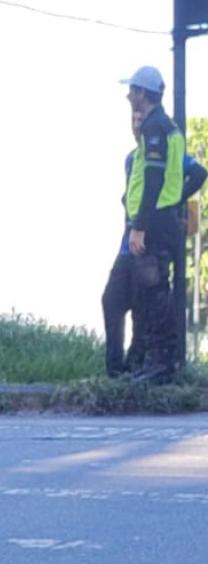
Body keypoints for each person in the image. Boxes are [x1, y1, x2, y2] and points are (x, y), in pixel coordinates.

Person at [102, 107, 207, 378]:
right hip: (131, 238)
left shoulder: (165, 152)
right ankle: (116, 367)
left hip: (151, 235)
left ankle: (143, 361)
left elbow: (197, 172)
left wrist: (175, 201)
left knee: (146, 301)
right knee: (113, 299)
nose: (137, 124)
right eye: (133, 120)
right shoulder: (131, 159)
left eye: (140, 119)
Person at [120, 66, 187, 384]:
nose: (129, 96)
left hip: (155, 222)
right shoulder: (168, 126)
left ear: (143, 93)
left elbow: (153, 178)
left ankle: (161, 364)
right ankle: (160, 360)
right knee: (156, 291)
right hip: (165, 219)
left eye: (132, 90)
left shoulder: (154, 127)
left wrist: (139, 226)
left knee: (155, 292)